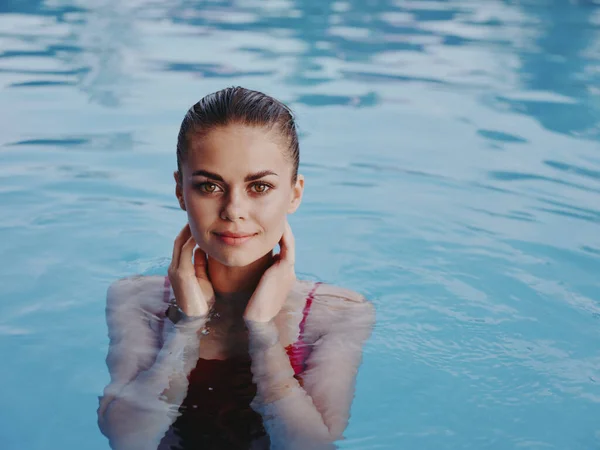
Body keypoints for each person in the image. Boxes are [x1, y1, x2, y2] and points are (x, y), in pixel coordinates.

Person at [96, 87, 376, 450]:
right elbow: (127, 438)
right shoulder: (136, 299)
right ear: (181, 191)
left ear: (294, 193)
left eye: (259, 186)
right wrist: (186, 326)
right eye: (209, 186)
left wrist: (262, 332)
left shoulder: (338, 314)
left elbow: (313, 446)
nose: (233, 210)